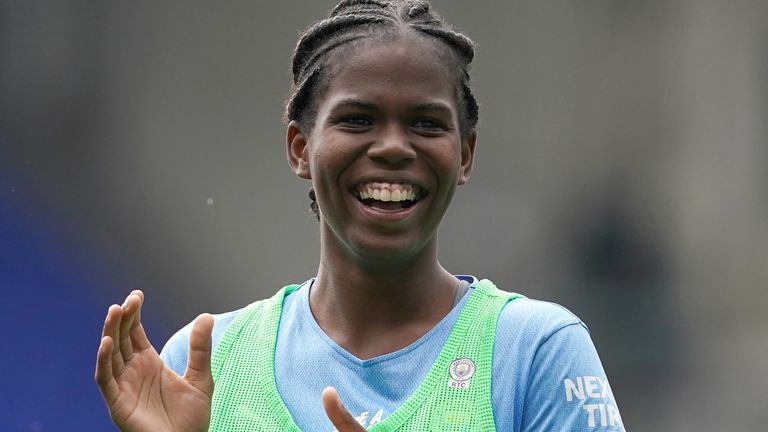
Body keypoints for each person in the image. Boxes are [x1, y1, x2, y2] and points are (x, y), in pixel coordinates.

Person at [95, 0, 625, 430]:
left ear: (464, 154)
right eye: (357, 119)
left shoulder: (535, 352)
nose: (394, 147)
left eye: (426, 123)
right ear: (300, 148)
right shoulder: (204, 363)